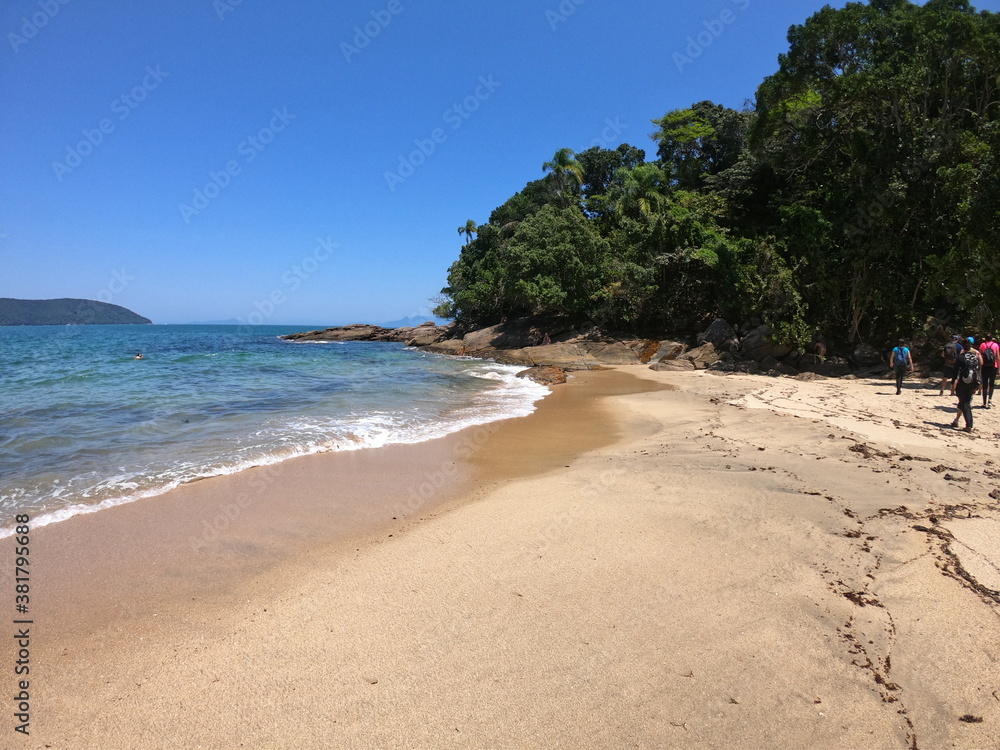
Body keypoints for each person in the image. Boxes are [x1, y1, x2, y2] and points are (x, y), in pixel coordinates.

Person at [951, 337, 982, 432]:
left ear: (963, 347)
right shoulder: (975, 357)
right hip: (974, 381)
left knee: (964, 402)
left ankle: (969, 424)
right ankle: (957, 421)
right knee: (965, 401)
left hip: (963, 382)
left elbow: (955, 371)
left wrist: (953, 383)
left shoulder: (960, 357)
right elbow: (979, 369)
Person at [979, 334, 999, 408]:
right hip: (994, 366)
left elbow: (980, 355)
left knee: (985, 384)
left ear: (985, 338)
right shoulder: (995, 345)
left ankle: (984, 402)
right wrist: (999, 368)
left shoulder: (982, 345)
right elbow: (997, 357)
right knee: (992, 384)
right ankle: (990, 400)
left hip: (984, 366)